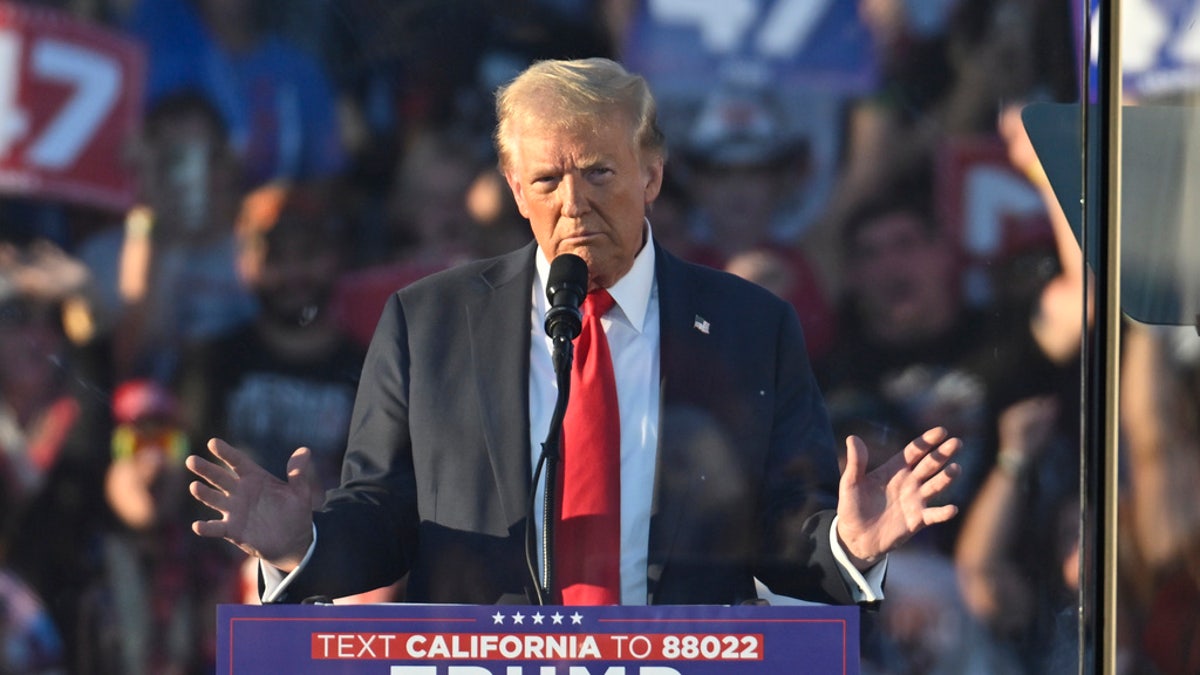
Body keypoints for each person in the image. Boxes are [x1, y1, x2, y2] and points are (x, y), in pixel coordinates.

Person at [186, 57, 962, 607]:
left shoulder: (750, 326)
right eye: (548, 180)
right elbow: (385, 517)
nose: (573, 202)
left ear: (650, 174)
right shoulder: (428, 324)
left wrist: (850, 545)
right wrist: (302, 544)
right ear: (515, 187)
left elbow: (782, 536)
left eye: (599, 172)